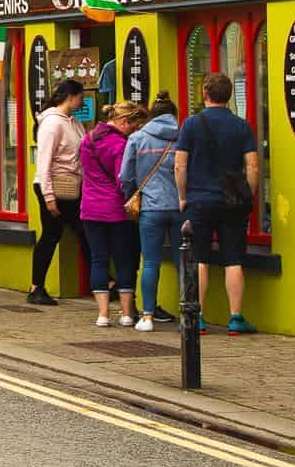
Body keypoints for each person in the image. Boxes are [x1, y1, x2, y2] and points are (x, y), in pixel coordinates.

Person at [175, 72, 260, 335]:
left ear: (205, 94)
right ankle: (235, 318)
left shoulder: (191, 124)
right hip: (232, 201)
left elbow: (180, 164)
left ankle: (196, 317)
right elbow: (253, 166)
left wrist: (182, 196)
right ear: (229, 95)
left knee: (200, 257)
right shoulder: (242, 126)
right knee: (233, 258)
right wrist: (249, 195)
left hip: (200, 199)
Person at [119, 93, 183, 332]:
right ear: (173, 115)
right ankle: (188, 315)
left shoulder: (137, 138)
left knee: (151, 262)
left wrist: (132, 193)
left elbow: (125, 176)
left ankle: (146, 316)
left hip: (150, 208)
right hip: (179, 206)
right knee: (183, 262)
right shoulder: (182, 137)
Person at [80, 100, 146, 328]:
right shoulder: (120, 145)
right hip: (117, 210)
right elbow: (122, 179)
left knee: (98, 259)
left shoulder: (87, 139)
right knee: (124, 259)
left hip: (90, 209)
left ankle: (103, 314)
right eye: (134, 126)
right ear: (124, 121)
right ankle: (127, 314)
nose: (134, 131)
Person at [28, 78, 88, 305]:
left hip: (72, 187)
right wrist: (49, 197)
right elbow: (44, 162)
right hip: (54, 187)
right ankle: (36, 287)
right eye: (80, 96)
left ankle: (105, 283)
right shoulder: (53, 124)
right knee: (52, 236)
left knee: (83, 232)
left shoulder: (73, 122)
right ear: (70, 97)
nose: (83, 101)